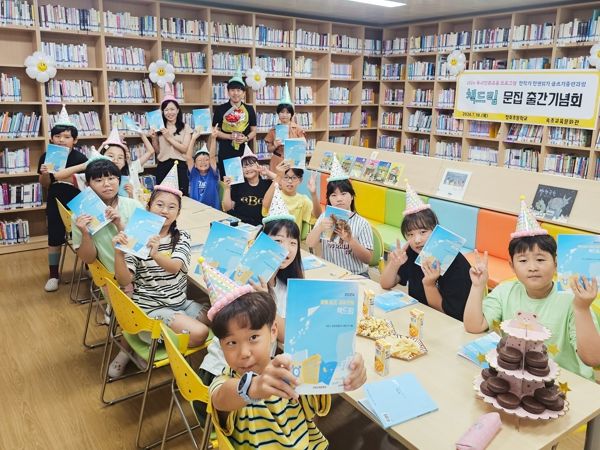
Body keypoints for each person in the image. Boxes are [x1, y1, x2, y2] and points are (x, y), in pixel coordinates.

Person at [206, 285, 366, 449]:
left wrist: (348, 370)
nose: (244, 353)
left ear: (273, 331)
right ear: (221, 345)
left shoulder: (292, 369)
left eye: (253, 337)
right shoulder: (224, 381)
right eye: (231, 343)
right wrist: (254, 386)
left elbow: (325, 377)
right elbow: (220, 398)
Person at [463, 197, 600, 380]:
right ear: (512, 266)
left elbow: (593, 359)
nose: (533, 267)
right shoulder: (505, 291)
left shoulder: (573, 299)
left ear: (556, 263)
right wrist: (477, 286)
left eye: (541, 259)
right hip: (515, 379)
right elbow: (473, 326)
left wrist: (582, 308)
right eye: (523, 260)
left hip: (561, 382)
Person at [198, 191, 304, 388]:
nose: (286, 249)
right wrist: (265, 300)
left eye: (293, 242)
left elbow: (290, 336)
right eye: (278, 241)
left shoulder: (286, 287)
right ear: (260, 243)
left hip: (256, 373)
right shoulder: (241, 282)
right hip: (222, 373)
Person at [110, 182, 210, 376]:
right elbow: (124, 280)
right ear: (149, 207)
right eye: (159, 204)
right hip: (152, 308)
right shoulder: (136, 236)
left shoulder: (181, 237)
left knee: (219, 317)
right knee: (200, 333)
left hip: (180, 303)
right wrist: (119, 253)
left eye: (172, 207)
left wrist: (155, 254)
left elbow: (174, 267)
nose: (165, 211)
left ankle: (157, 340)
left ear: (178, 213)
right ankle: (149, 341)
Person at [379, 181, 471, 321]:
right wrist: (393, 264)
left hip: (449, 322)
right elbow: (385, 284)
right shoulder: (411, 252)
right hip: (418, 317)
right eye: (410, 234)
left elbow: (448, 315)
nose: (417, 240)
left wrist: (429, 285)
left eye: (423, 232)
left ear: (435, 230)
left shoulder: (454, 262)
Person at [38, 105, 88, 292]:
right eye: (57, 136)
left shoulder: (80, 158)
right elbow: (45, 183)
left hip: (78, 201)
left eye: (67, 137)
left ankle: (88, 267)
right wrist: (45, 174)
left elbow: (84, 182)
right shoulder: (47, 156)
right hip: (55, 201)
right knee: (54, 237)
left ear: (75, 140)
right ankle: (53, 275)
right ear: (52, 138)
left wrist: (61, 176)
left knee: (85, 235)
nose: (61, 140)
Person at [71, 159, 142, 274]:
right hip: (112, 277)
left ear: (119, 180)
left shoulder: (135, 206)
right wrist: (85, 233)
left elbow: (141, 248)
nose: (107, 184)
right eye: (99, 180)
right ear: (88, 185)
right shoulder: (80, 215)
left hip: (141, 272)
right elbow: (88, 259)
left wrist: (119, 224)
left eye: (111, 178)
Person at [306, 154, 373, 276]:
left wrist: (350, 240)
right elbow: (310, 244)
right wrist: (320, 228)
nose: (339, 199)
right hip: (330, 272)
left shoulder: (362, 223)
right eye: (334, 195)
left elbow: (368, 259)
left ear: (352, 197)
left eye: (343, 194)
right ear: (329, 199)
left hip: (355, 274)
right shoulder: (324, 218)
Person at [54, 127, 155, 199]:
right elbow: (57, 176)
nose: (115, 160)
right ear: (101, 156)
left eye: (120, 157)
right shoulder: (91, 176)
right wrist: (84, 165)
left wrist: (131, 195)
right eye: (110, 156)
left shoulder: (129, 173)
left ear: (125, 160)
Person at [212, 68, 257, 178]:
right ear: (228, 92)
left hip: (244, 151)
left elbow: (254, 131)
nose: (235, 93)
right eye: (232, 90)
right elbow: (215, 130)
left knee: (245, 179)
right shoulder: (220, 109)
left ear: (243, 93)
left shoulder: (249, 109)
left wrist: (246, 138)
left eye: (238, 90)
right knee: (228, 180)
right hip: (226, 150)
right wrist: (229, 136)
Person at [152, 85, 192, 195]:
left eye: (172, 109)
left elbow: (184, 149)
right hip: (163, 166)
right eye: (166, 110)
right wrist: (154, 138)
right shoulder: (160, 128)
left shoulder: (185, 127)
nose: (169, 112)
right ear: (163, 112)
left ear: (178, 110)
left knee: (181, 196)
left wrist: (169, 138)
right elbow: (158, 151)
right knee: (162, 195)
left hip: (180, 166)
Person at [222, 145, 276, 226]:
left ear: (258, 166)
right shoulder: (237, 186)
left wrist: (267, 172)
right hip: (240, 224)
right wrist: (227, 188)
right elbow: (227, 208)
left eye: (251, 165)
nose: (248, 169)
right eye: (244, 167)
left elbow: (281, 181)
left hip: (260, 225)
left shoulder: (267, 184)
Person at [262, 160, 321, 233]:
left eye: (294, 177)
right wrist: (279, 176)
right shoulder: (275, 195)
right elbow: (265, 204)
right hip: (273, 237)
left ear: (300, 180)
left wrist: (314, 194)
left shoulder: (303, 200)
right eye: (286, 177)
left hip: (292, 238)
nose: (290, 181)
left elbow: (318, 216)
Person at [264, 83, 305, 171]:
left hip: (293, 160)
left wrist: (295, 144)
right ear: (278, 114)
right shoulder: (273, 130)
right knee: (276, 180)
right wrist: (275, 145)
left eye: (287, 112)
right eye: (282, 112)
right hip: (277, 160)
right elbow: (269, 149)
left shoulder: (298, 129)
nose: (284, 115)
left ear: (291, 114)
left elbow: (303, 145)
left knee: (292, 179)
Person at [186, 125, 220, 209]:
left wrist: (213, 138)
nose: (203, 162)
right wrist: (193, 139)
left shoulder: (213, 173)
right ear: (195, 164)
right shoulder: (194, 173)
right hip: (195, 208)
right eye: (200, 160)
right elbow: (188, 158)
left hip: (212, 209)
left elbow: (212, 157)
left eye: (206, 160)